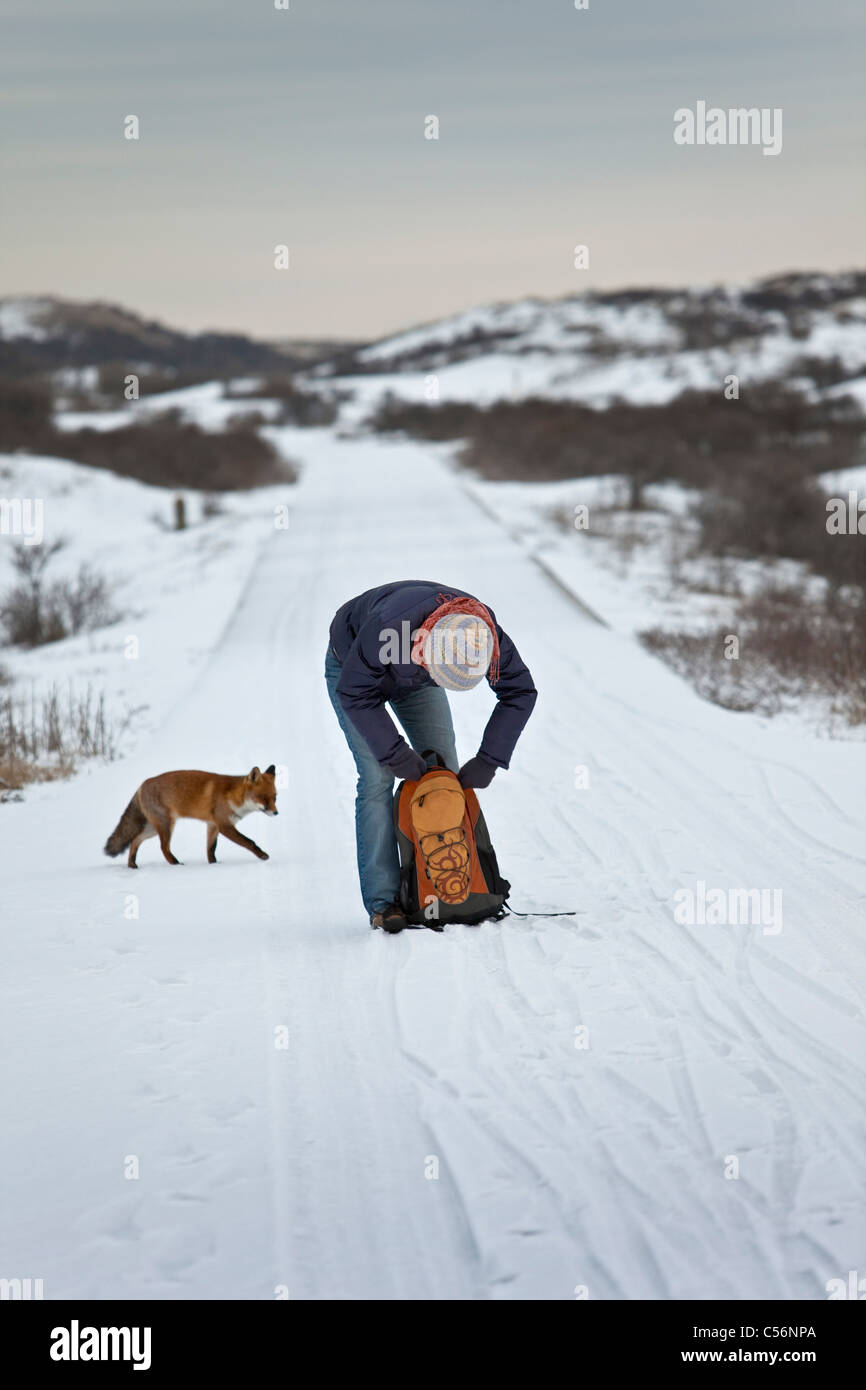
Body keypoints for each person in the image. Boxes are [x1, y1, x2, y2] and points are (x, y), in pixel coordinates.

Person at [325, 581, 537, 930]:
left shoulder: (484, 634)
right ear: (426, 646)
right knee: (378, 776)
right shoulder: (387, 629)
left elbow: (520, 691)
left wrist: (489, 759)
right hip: (353, 670)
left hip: (415, 678)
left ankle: (443, 893)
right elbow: (356, 693)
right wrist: (394, 753)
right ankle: (385, 903)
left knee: (444, 779)